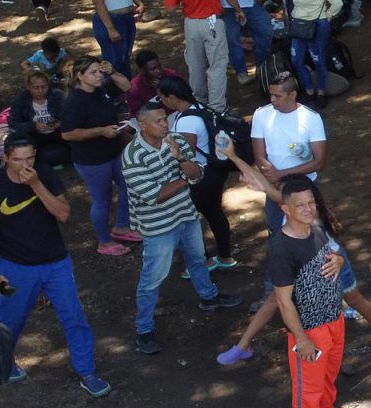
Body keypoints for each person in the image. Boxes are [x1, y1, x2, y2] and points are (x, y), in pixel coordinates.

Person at [215, 138, 371, 366]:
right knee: (275, 297)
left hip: (329, 260)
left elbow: (264, 185)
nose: (275, 193)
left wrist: (338, 261)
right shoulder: (290, 202)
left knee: (353, 298)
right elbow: (261, 182)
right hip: (302, 259)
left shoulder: (306, 213)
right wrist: (232, 155)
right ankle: (243, 345)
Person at [0, 134, 110, 397]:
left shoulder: (43, 175)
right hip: (14, 268)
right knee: (9, 321)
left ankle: (87, 372)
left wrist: (36, 185)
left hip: (56, 263)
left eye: (29, 158)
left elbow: (64, 214)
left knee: (74, 318)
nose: (24, 164)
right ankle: (5, 362)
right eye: (17, 159)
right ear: (5, 157)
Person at [123, 102, 243, 355]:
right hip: (157, 225)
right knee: (152, 277)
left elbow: (197, 174)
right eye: (158, 121)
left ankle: (208, 296)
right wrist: (185, 177)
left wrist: (179, 158)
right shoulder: (133, 156)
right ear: (142, 126)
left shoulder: (175, 140)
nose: (165, 124)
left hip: (185, 214)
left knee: (197, 259)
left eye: (165, 119)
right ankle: (143, 329)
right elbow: (156, 195)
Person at [267, 176, 358, 408]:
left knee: (328, 373)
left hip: (333, 318)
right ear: (286, 209)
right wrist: (302, 338)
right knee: (308, 383)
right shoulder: (281, 247)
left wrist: (340, 261)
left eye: (311, 203)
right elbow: (283, 301)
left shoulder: (315, 229)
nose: (308, 209)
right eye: (301, 205)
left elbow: (333, 256)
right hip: (310, 328)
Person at [155, 76, 238, 273]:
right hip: (214, 171)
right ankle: (225, 256)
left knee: (188, 220)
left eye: (162, 98)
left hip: (200, 177)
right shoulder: (200, 108)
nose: (162, 103)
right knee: (214, 212)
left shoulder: (186, 122)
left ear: (172, 97)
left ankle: (204, 261)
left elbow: (186, 154)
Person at [61, 56, 140, 255]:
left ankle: (122, 226)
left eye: (100, 71)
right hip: (92, 159)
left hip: (113, 151)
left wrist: (112, 72)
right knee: (102, 199)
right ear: (80, 76)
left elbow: (126, 86)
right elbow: (68, 133)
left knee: (129, 185)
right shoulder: (74, 102)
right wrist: (100, 131)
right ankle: (104, 242)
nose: (99, 75)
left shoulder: (101, 88)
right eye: (93, 73)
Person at [164, 0, 247, 113]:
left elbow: (170, 8)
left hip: (192, 24)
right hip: (213, 22)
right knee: (217, 65)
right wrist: (238, 10)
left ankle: (199, 100)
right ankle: (217, 107)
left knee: (195, 64)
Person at [252, 73, 329, 233]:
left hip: (304, 185)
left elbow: (319, 162)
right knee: (275, 228)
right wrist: (274, 178)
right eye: (271, 94)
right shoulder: (261, 114)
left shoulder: (311, 118)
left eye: (277, 96)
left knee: (311, 229)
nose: (272, 99)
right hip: (275, 185)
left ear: (292, 94)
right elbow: (259, 155)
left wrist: (281, 175)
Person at [285, 0, 342, 108]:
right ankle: (310, 92)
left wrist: (326, 16)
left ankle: (321, 93)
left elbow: (337, 2)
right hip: (299, 26)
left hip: (316, 26)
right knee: (296, 60)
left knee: (318, 59)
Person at [7, 70, 70, 166]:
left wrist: (60, 123)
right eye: (36, 88)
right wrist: (33, 127)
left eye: (44, 87)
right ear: (28, 87)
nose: (40, 91)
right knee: (16, 142)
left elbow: (70, 115)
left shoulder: (57, 95)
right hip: (35, 134)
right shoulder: (21, 100)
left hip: (58, 131)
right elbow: (13, 123)